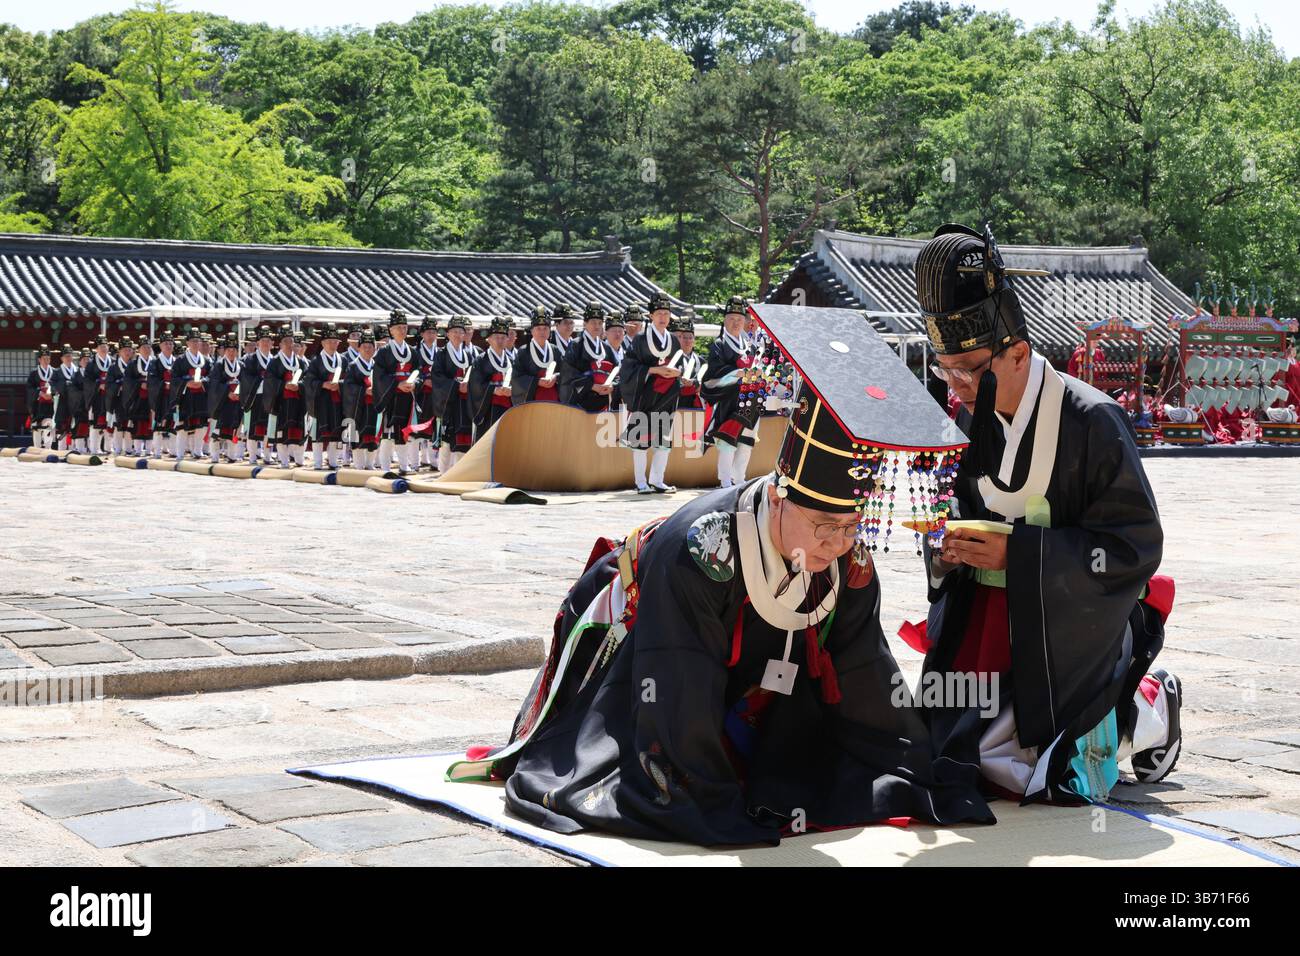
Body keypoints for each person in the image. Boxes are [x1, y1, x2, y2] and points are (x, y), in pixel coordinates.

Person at [445, 302, 993, 845]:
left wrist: (908, 759)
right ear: (778, 498)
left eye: (852, 526)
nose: (839, 542)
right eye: (825, 524)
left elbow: (864, 667)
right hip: (638, 642)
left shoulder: (847, 559)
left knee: (828, 771)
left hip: (747, 681)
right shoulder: (702, 546)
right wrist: (703, 792)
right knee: (666, 767)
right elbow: (675, 677)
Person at [910, 222, 1180, 803]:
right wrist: (946, 549)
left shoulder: (1092, 420)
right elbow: (953, 510)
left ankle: (1147, 702)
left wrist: (1023, 554)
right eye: (945, 370)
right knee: (942, 752)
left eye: (970, 371)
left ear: (1019, 353)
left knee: (1029, 768)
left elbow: (1134, 545)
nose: (955, 386)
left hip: (1071, 621)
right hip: (989, 614)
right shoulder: (966, 420)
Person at [620, 292, 684, 494]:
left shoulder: (673, 340)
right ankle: (640, 482)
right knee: (641, 438)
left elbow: (679, 363)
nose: (663, 317)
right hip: (646, 393)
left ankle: (658, 480)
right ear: (651, 316)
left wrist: (677, 372)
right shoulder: (640, 339)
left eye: (666, 313)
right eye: (659, 313)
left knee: (662, 440)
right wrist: (654, 370)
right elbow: (628, 367)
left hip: (667, 394)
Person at [702, 296, 760, 488]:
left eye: (740, 319)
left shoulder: (750, 346)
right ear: (725, 320)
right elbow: (713, 376)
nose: (736, 323)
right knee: (727, 441)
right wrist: (737, 373)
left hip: (749, 397)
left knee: (746, 442)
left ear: (745, 321)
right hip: (728, 398)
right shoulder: (719, 345)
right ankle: (725, 481)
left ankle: (740, 480)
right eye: (732, 319)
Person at [372, 309, 420, 474]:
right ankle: (385, 468)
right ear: (391, 330)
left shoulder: (413, 352)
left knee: (404, 432)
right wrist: (396, 384)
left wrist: (415, 384)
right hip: (390, 396)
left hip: (407, 396)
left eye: (404, 327)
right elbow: (378, 376)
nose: (402, 330)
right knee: (388, 434)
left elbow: (418, 372)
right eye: (398, 327)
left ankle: (403, 466)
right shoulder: (384, 352)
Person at [430, 315, 476, 473]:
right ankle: (443, 472)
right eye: (454, 331)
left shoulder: (469, 355)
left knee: (463, 438)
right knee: (447, 440)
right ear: (447, 334)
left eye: (460, 331)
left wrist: (469, 385)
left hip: (464, 403)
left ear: (465, 335)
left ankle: (458, 472)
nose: (457, 335)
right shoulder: (441, 355)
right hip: (448, 403)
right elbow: (437, 378)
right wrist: (456, 386)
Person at [302, 326, 347, 469]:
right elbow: (308, 381)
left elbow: (349, 380)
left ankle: (333, 462)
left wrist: (340, 384)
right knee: (318, 433)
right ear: (323, 343)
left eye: (335, 342)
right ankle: (317, 462)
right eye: (329, 341)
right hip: (320, 401)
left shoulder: (343, 360)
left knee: (335, 433)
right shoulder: (315, 361)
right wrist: (323, 384)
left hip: (337, 400)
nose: (332, 344)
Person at [264, 328, 307, 468]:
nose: (289, 344)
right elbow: (269, 381)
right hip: (281, 402)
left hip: (297, 402)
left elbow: (307, 379)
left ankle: (299, 459)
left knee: (298, 431)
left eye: (291, 341)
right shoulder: (275, 362)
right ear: (280, 344)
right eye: (286, 341)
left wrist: (299, 385)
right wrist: (284, 385)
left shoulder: (301, 362)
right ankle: (284, 460)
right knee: (282, 432)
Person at [561, 302, 616, 412]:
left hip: (603, 402)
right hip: (580, 403)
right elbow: (568, 374)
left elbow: (617, 371)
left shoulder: (606, 348)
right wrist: (591, 385)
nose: (597, 326)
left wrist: (612, 386)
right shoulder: (576, 345)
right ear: (585, 323)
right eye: (593, 322)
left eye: (600, 323)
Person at [468, 316, 516, 440]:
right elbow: (475, 386)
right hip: (488, 410)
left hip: (508, 410)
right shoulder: (481, 360)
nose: (500, 341)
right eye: (496, 337)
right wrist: (494, 390)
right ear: (488, 339)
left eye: (503, 337)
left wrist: (513, 390)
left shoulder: (512, 361)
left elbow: (518, 382)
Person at [341, 330, 381, 470]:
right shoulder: (353, 366)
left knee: (373, 435)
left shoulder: (378, 366)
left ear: (375, 348)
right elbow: (348, 387)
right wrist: (364, 391)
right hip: (358, 407)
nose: (367, 349)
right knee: (358, 436)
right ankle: (358, 465)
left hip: (374, 407)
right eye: (364, 346)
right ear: (358, 348)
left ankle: (370, 464)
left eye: (370, 346)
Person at [170, 329, 211, 460]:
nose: (195, 343)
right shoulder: (180, 360)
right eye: (193, 341)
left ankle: (197, 451)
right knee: (182, 426)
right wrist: (186, 383)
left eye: (198, 341)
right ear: (187, 343)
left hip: (201, 396)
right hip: (185, 397)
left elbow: (212, 377)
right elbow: (174, 378)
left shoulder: (206, 360)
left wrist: (203, 382)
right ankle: (180, 453)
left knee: (201, 426)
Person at [207, 335, 245, 463]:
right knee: (217, 432)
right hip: (222, 403)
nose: (232, 352)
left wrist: (240, 393)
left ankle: (232, 455)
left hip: (236, 402)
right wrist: (227, 392)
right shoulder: (219, 365)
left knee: (233, 430)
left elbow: (245, 382)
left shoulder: (241, 365)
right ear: (225, 351)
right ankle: (215, 456)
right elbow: (214, 383)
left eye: (234, 350)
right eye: (229, 350)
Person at [512, 309, 562, 405]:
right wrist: (537, 382)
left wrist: (556, 377)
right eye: (538, 328)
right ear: (532, 330)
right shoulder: (524, 351)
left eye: (545, 328)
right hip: (532, 402)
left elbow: (565, 373)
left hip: (554, 402)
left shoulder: (555, 350)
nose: (542, 332)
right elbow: (516, 378)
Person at [412, 316, 442, 468]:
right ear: (422, 334)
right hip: (421, 394)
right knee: (419, 426)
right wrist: (423, 380)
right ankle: (416, 461)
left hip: (436, 395)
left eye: (433, 332)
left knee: (434, 426)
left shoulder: (441, 352)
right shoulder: (415, 352)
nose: (431, 335)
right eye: (428, 332)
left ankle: (433, 459)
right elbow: (413, 371)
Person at [122, 337, 154, 456]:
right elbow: (128, 381)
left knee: (150, 423)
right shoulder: (133, 364)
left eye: (148, 347)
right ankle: (138, 449)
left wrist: (151, 384)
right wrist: (140, 383)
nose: (146, 349)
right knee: (138, 423)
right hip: (137, 398)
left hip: (152, 398)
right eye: (144, 347)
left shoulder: (155, 363)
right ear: (139, 350)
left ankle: (150, 449)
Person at [83, 336, 114, 455]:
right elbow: (87, 381)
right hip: (96, 397)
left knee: (109, 422)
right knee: (95, 424)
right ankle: (94, 448)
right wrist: (98, 385)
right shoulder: (91, 364)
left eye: (105, 346)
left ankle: (107, 447)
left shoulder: (113, 361)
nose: (103, 348)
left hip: (110, 396)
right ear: (96, 349)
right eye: (101, 346)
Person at [148, 333, 177, 458]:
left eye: (171, 343)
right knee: (159, 424)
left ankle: (173, 450)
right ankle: (157, 451)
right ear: (160, 346)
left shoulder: (177, 361)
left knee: (174, 424)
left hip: (174, 397)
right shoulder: (155, 362)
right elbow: (152, 380)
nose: (169, 346)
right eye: (166, 344)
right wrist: (163, 384)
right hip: (160, 397)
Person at [52, 345, 83, 452]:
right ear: (62, 358)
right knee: (63, 423)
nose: (69, 358)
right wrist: (63, 386)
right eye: (66, 356)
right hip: (63, 401)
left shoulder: (77, 371)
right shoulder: (57, 372)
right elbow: (52, 384)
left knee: (75, 423)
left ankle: (73, 448)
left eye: (70, 356)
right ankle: (61, 448)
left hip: (75, 401)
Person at [25, 345, 56, 450]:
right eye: (44, 358)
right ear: (39, 359)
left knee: (49, 424)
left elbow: (58, 387)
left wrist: (52, 394)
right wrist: (40, 393)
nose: (47, 360)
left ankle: (48, 447)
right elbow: (29, 388)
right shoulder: (34, 373)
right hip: (37, 404)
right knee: (36, 427)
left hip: (50, 403)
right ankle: (36, 448)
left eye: (48, 358)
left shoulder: (54, 372)